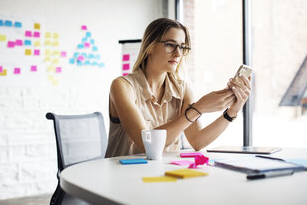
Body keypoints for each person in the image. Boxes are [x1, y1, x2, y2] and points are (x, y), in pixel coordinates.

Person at [105, 18, 252, 157]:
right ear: (150, 47)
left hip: (164, 176)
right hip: (125, 177)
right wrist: (198, 109)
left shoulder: (183, 87)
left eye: (182, 47)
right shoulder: (122, 86)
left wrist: (232, 111)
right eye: (170, 44)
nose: (178, 53)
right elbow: (147, 145)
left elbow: (197, 141)